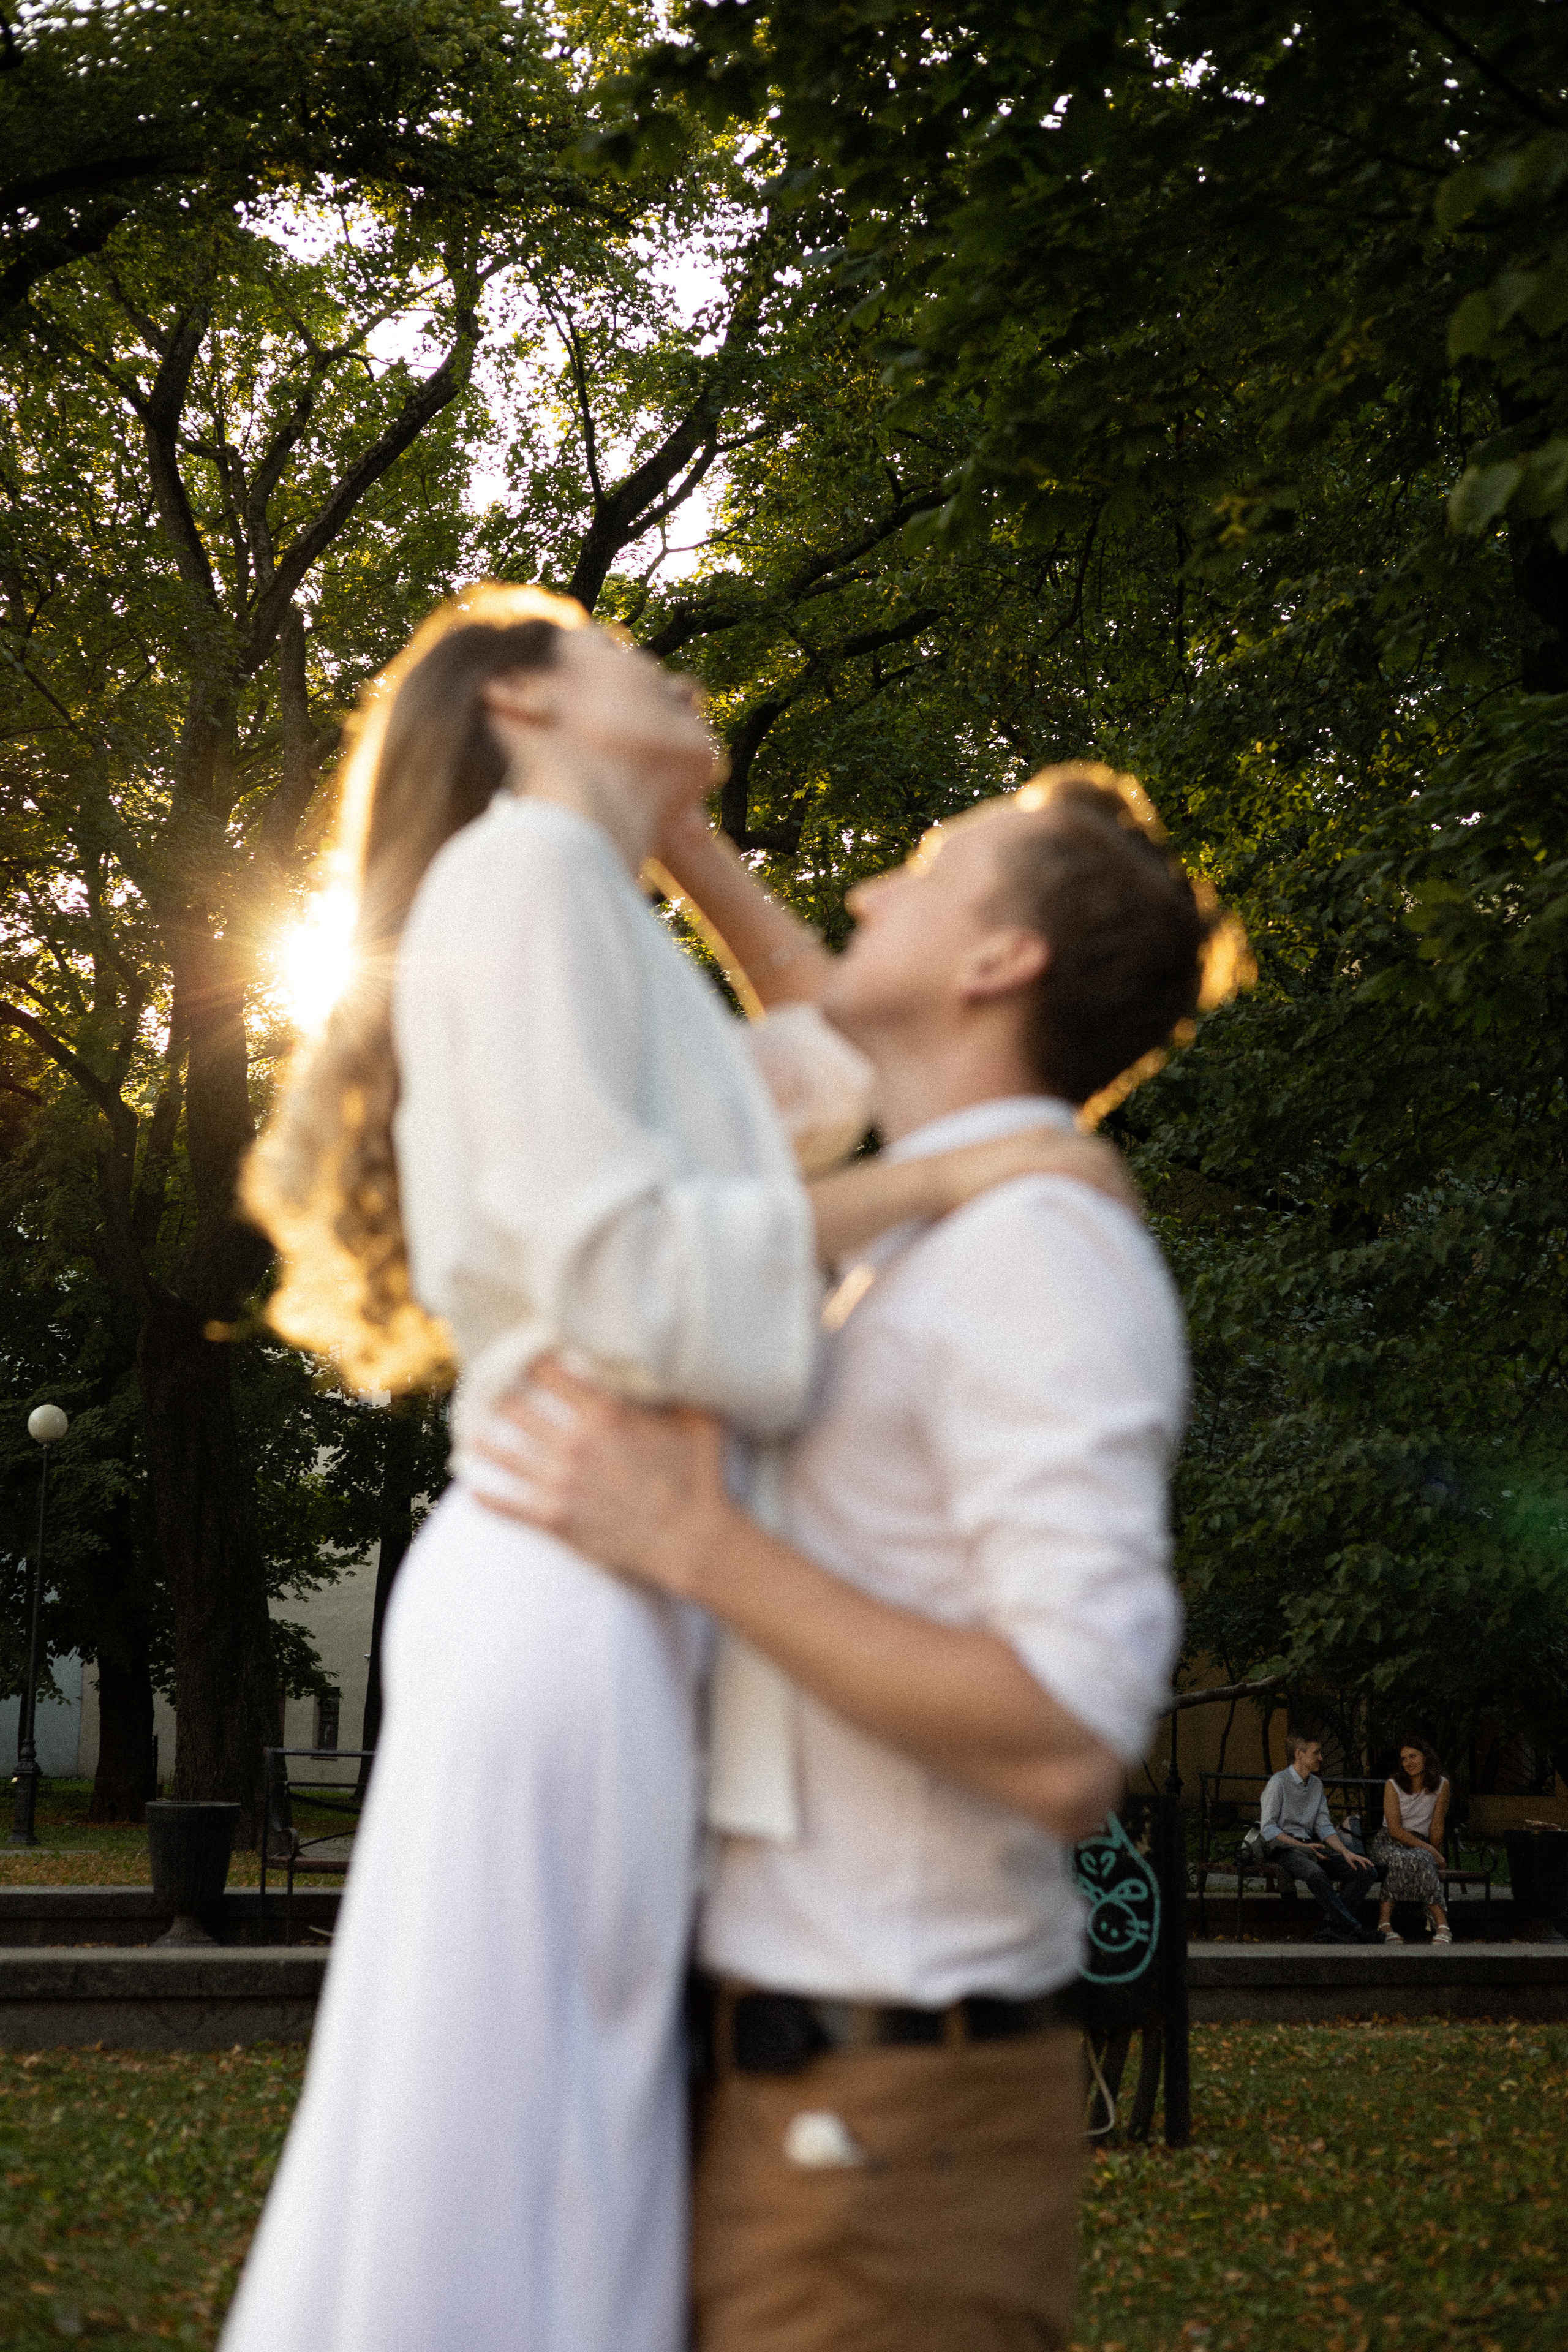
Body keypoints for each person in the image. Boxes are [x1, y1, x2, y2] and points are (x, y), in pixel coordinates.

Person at [223, 587, 1127, 2352]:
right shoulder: (529, 884)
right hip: (577, 1564)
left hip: (615, 1579)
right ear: (523, 704)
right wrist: (961, 1184)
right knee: (510, 2164)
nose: (678, 669)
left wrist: (679, 829)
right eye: (626, 654)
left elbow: (830, 1049)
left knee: (551, 2141)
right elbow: (630, 1283)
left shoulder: (588, 907)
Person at [477, 766, 1244, 2352]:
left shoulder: (1043, 1255)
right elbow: (819, 1008)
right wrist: (673, 832)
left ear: (995, 964)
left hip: (895, 2144)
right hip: (807, 2104)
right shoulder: (937, 1218)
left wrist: (693, 1541)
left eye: (917, 864)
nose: (867, 895)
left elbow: (1066, 1741)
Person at [1259, 1732, 1379, 1943]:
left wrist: (1347, 1852)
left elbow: (1324, 1827)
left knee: (1366, 1871)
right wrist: (1301, 1846)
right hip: (1285, 1849)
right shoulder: (1278, 1783)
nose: (1321, 1758)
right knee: (1315, 1873)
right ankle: (1353, 1927)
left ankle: (1329, 1928)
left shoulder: (1316, 1785)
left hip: (1311, 1848)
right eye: (1317, 1753)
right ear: (1299, 1754)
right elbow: (1268, 1829)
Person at [1371, 1739, 1453, 1945]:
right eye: (1404, 1759)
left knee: (1420, 1858)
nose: (1409, 1762)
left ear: (1426, 1757)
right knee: (1407, 1858)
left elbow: (1436, 1826)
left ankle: (1438, 1925)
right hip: (1389, 1842)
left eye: (1413, 1756)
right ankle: (1438, 1922)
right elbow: (1395, 1830)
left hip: (1420, 1844)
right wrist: (1433, 1853)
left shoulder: (1442, 1785)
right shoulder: (1393, 1785)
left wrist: (1433, 1852)